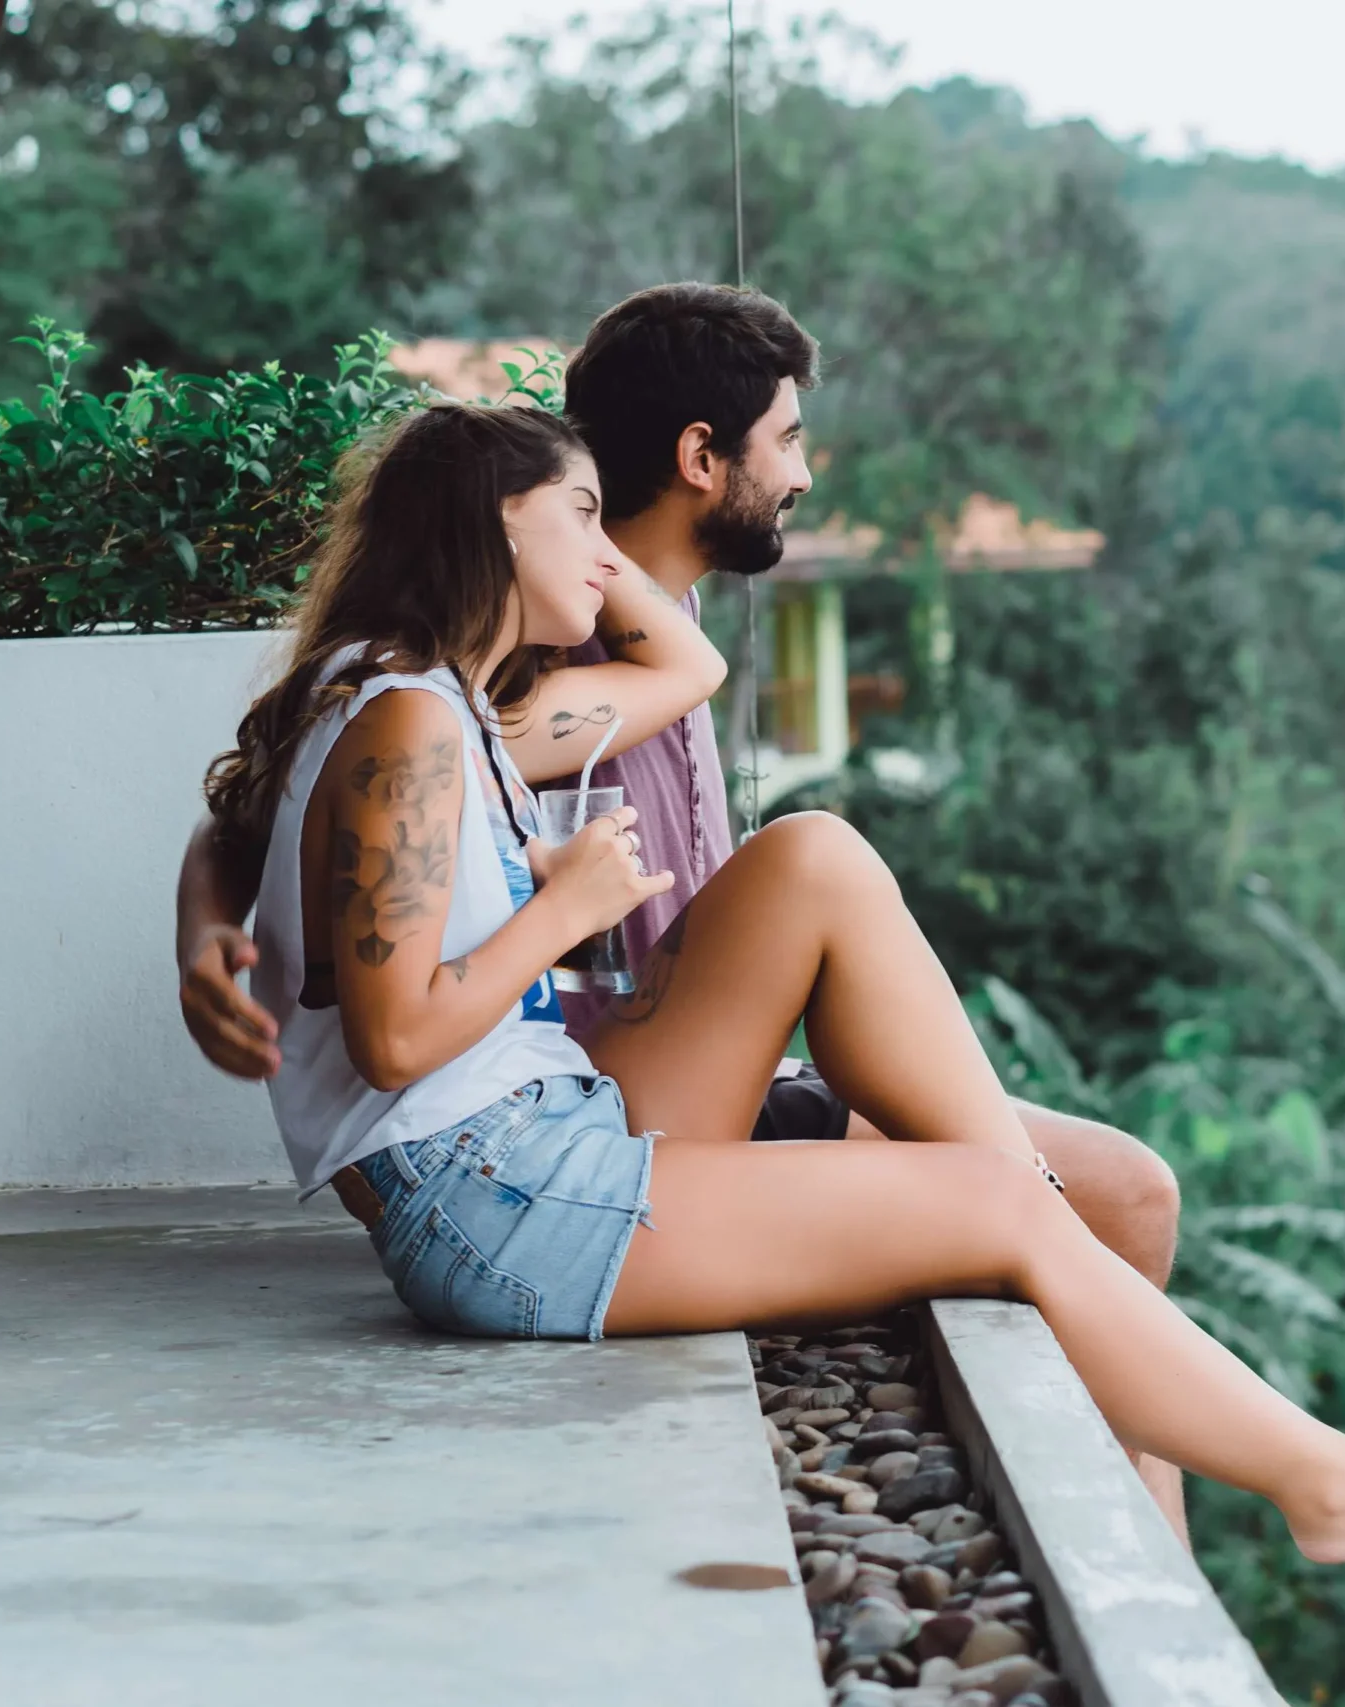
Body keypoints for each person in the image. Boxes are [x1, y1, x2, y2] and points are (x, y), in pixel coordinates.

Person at [204, 398, 1345, 1567]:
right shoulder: (411, 721)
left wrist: (504, 883)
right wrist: (562, 910)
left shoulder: (408, 699)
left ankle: (1206, 1400)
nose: (609, 558)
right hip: (496, 1197)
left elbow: (261, 850)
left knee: (814, 855)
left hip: (517, 1156)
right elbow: (393, 1040)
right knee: (998, 1201)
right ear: (494, 529)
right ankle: (1320, 1483)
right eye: (582, 516)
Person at [179, 283, 1199, 1540]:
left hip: (704, 1059)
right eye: (789, 440)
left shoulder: (640, 634)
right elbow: (278, 804)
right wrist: (209, 926)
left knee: (1130, 1194)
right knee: (819, 872)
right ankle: (1034, 1235)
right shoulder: (512, 671)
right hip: (588, 1115)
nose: (806, 475)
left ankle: (1157, 1562)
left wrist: (205, 933)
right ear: (700, 457)